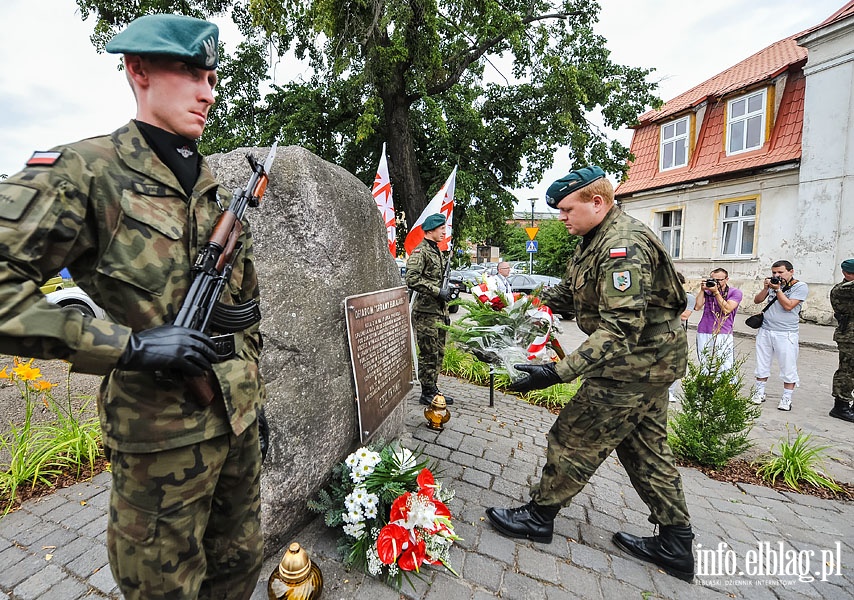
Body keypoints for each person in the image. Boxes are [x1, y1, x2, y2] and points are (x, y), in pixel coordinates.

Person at [0, 15, 265, 600]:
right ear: (138, 70)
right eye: (190, 72)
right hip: (158, 446)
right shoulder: (85, 172)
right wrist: (127, 345)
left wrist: (252, 402)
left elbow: (241, 309)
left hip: (237, 431)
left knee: (241, 567)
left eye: (212, 76)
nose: (208, 91)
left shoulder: (215, 187)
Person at [485, 166, 694, 582]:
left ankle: (539, 517)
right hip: (648, 365)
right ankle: (676, 543)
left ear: (597, 202)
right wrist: (514, 300)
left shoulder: (623, 246)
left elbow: (620, 329)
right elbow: (574, 291)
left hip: (630, 367)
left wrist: (556, 372)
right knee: (645, 450)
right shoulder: (595, 239)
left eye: (566, 210)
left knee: (573, 438)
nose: (561, 218)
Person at [406, 213, 455, 406]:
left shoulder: (437, 251)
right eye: (441, 228)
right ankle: (427, 392)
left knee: (438, 352)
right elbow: (412, 279)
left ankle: (432, 387)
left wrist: (446, 291)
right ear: (430, 230)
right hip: (426, 313)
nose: (444, 231)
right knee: (428, 353)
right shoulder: (422, 252)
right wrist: (437, 291)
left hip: (439, 311)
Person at [751, 261, 809, 411]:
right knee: (762, 363)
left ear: (791, 271)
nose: (777, 275)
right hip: (765, 330)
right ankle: (759, 392)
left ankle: (786, 398)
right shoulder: (773, 284)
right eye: (774, 273)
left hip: (786, 333)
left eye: (780, 272)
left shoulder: (800, 286)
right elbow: (757, 300)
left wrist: (778, 290)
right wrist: (766, 288)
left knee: (788, 366)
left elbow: (789, 306)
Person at [694, 268, 742, 373]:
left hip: (723, 332)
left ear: (726, 279)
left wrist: (716, 292)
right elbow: (697, 307)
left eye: (719, 280)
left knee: (725, 365)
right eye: (713, 280)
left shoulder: (735, 292)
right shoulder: (707, 291)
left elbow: (727, 309)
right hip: (704, 330)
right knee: (705, 364)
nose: (716, 283)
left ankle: (725, 388)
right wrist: (702, 290)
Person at [829, 259, 854, 423]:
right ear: (846, 273)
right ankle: (840, 406)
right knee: (847, 372)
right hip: (849, 337)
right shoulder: (841, 289)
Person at [669, 272, 694, 402]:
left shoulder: (688, 298)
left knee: (676, 363)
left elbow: (684, 316)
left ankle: (671, 392)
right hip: (661, 334)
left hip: (678, 333)